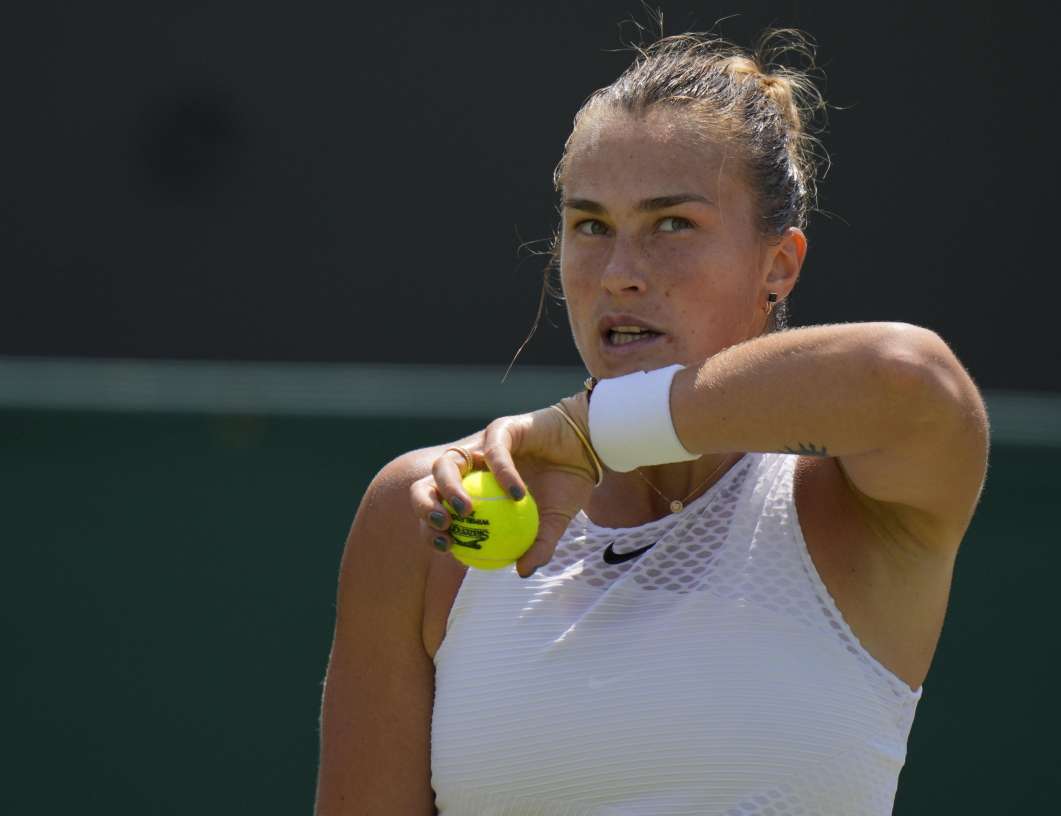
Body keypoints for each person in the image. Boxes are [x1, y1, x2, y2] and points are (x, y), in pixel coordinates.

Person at [315, 28, 989, 816]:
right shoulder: (425, 511)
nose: (621, 275)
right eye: (591, 226)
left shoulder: (860, 511)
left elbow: (906, 377)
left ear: (779, 265)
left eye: (672, 225)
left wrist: (595, 431)